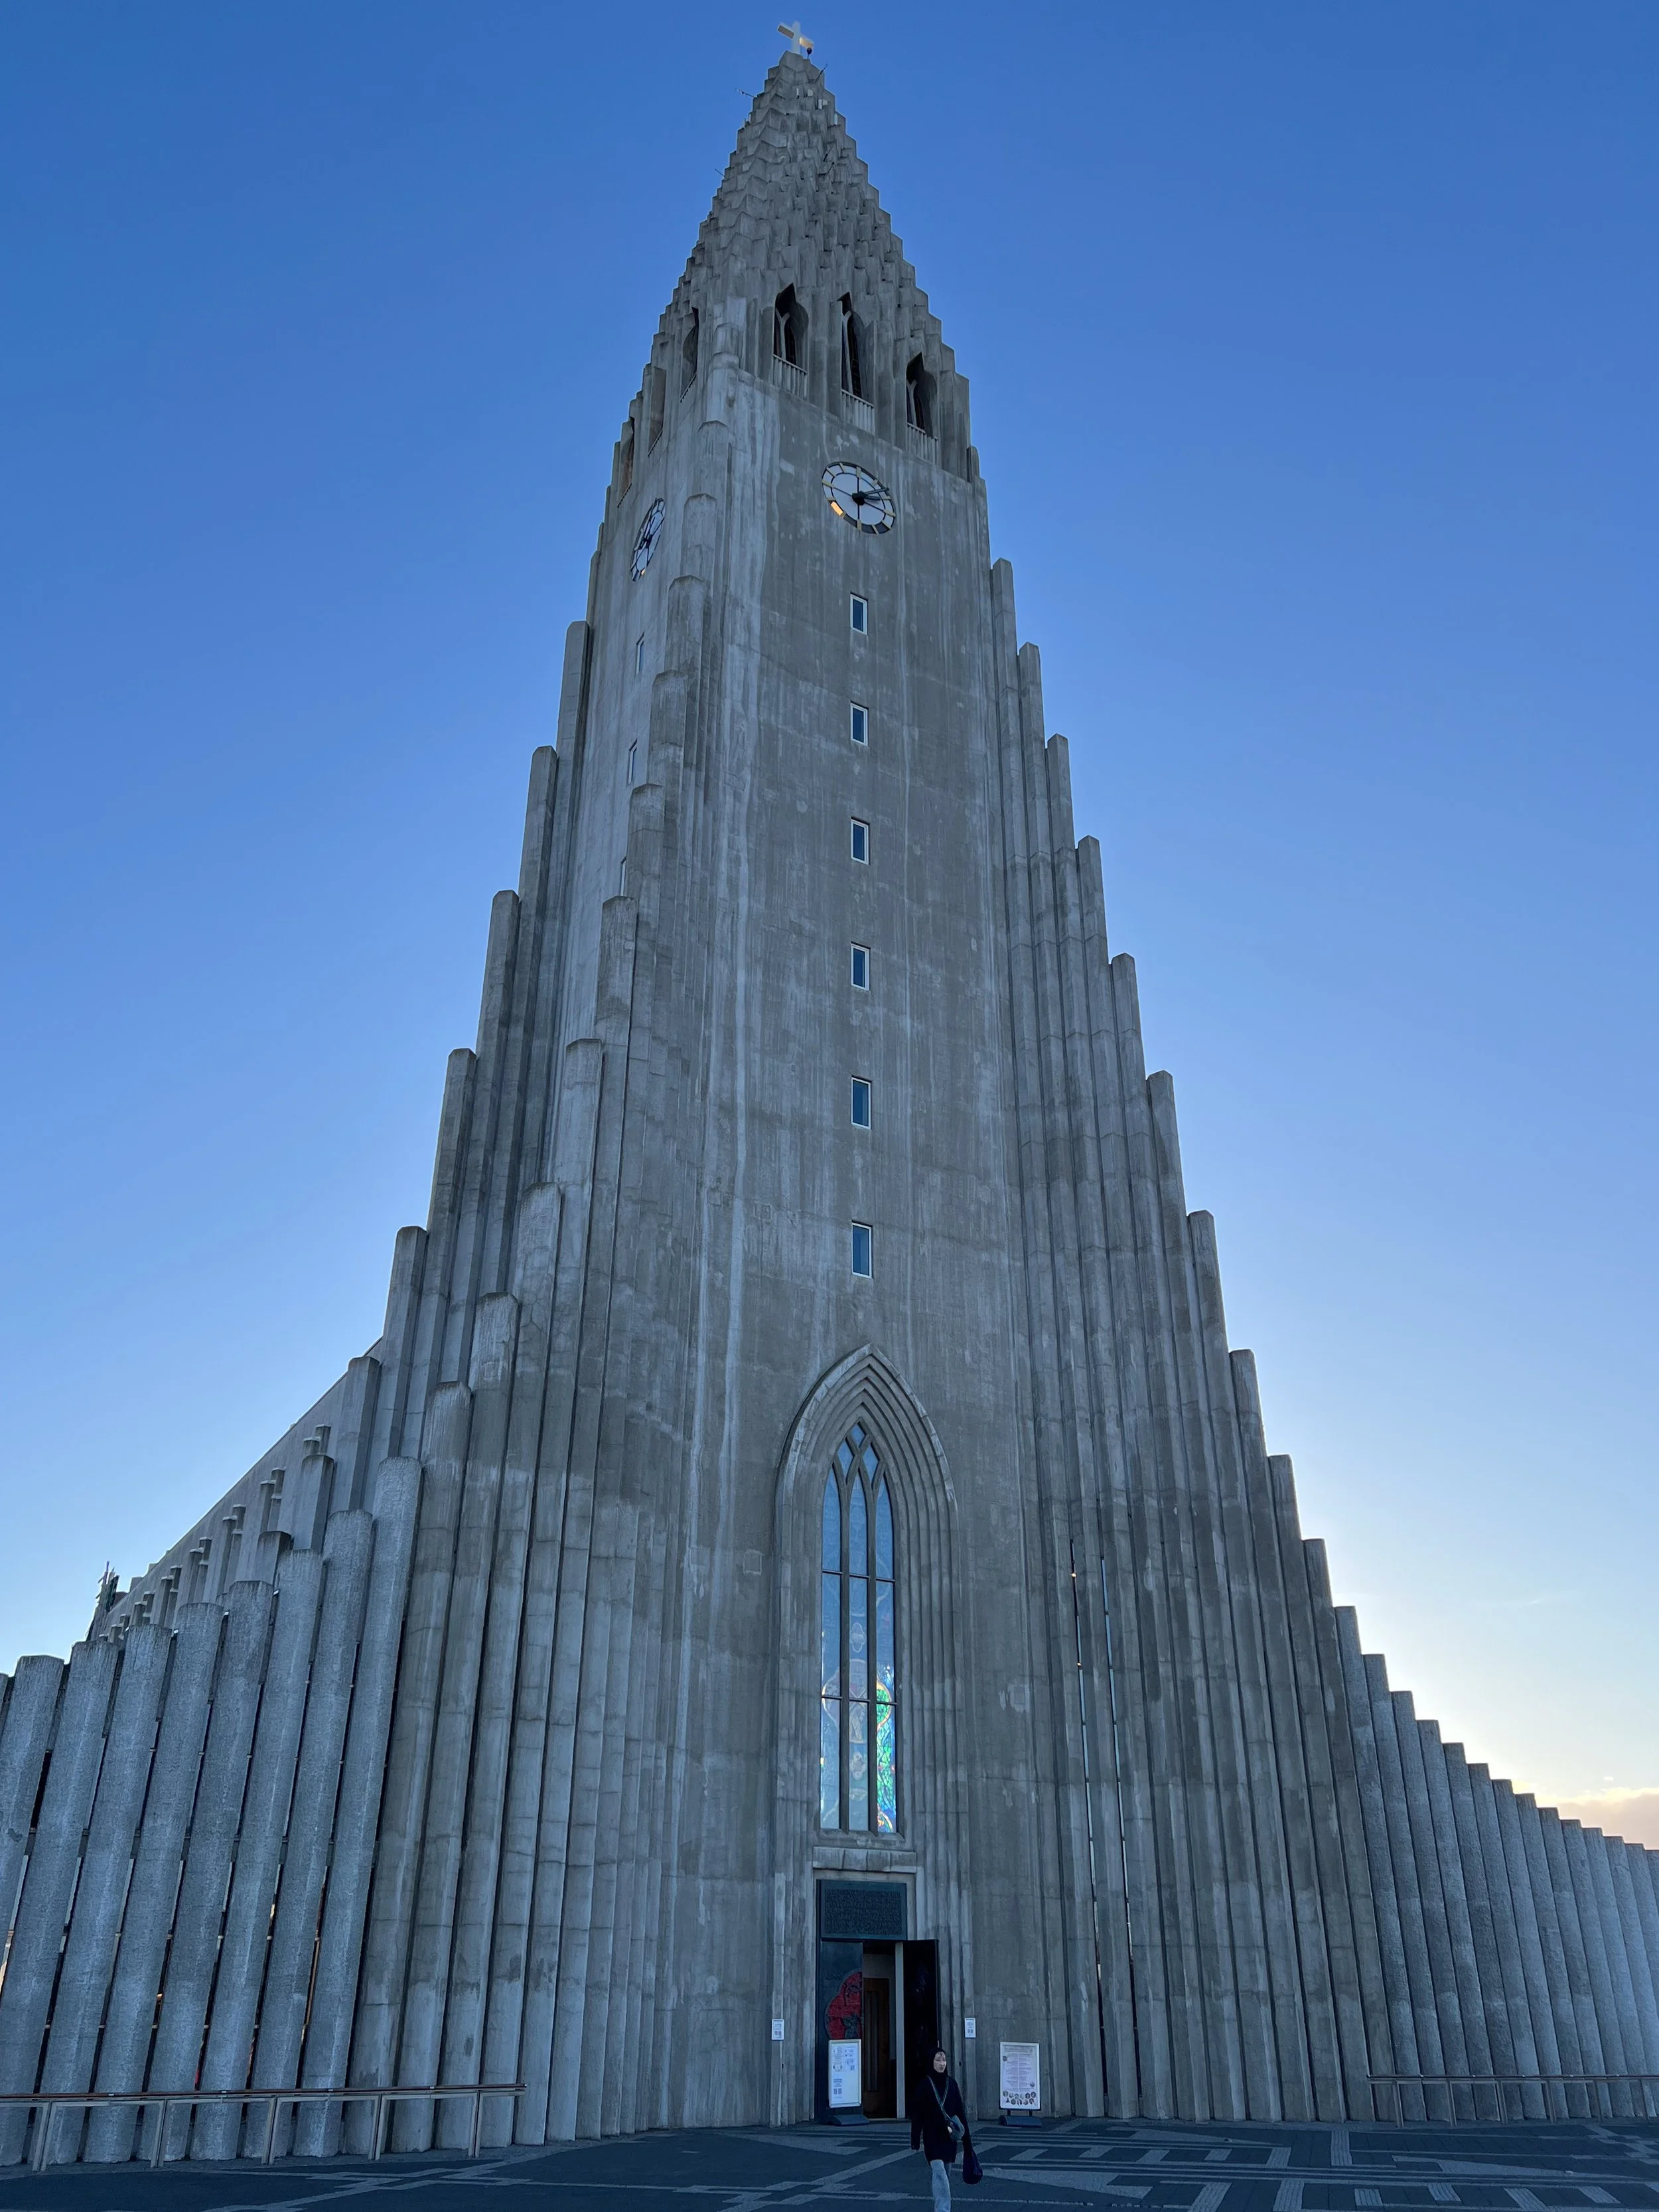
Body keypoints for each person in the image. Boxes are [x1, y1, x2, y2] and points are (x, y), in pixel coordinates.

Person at [910, 2043, 970, 2208]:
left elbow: (960, 2112)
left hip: (949, 2138)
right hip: (932, 2138)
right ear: (931, 2062)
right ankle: (943, 2209)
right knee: (940, 2173)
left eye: (944, 2060)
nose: (942, 2063)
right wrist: (915, 2139)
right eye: (938, 2060)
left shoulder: (952, 2084)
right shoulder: (924, 2086)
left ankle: (941, 2205)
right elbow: (918, 2115)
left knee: (945, 2174)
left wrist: (968, 2141)